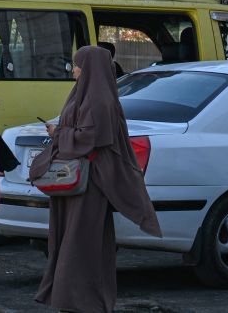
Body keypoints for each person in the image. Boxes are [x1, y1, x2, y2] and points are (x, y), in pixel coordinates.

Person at [29, 46, 162, 313]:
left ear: (90, 67)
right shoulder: (84, 94)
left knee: (81, 244)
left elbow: (89, 140)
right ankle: (70, 299)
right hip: (74, 184)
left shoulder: (100, 100)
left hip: (90, 185)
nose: (73, 69)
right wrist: (61, 131)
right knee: (70, 241)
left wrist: (59, 133)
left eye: (77, 64)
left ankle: (82, 302)